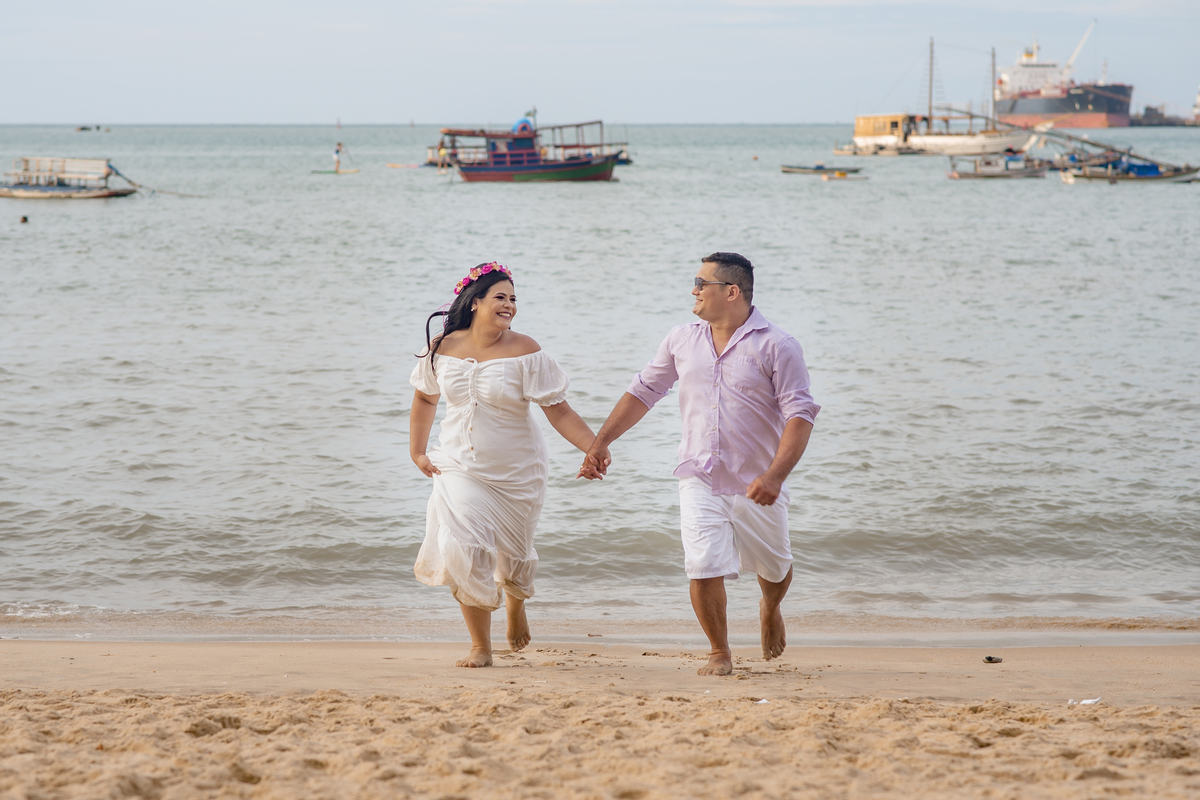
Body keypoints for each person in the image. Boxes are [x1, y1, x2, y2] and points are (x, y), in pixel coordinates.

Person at [579, 253, 819, 676]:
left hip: (757, 480)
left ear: (731, 292)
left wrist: (775, 476)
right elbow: (644, 391)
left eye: (700, 282)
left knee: (776, 566)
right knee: (703, 563)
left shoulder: (778, 345)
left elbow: (800, 415)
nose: (693, 290)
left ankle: (770, 607)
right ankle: (719, 651)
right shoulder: (680, 339)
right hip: (698, 475)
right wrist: (600, 443)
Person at [410, 262, 598, 668]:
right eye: (501, 297)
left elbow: (559, 411)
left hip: (518, 470)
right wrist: (418, 451)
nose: (510, 305)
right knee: (464, 545)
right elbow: (426, 398)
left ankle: (515, 602)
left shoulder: (526, 351)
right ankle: (481, 645)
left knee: (515, 553)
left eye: (513, 299)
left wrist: (594, 447)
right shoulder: (443, 347)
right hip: (458, 464)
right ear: (475, 302)